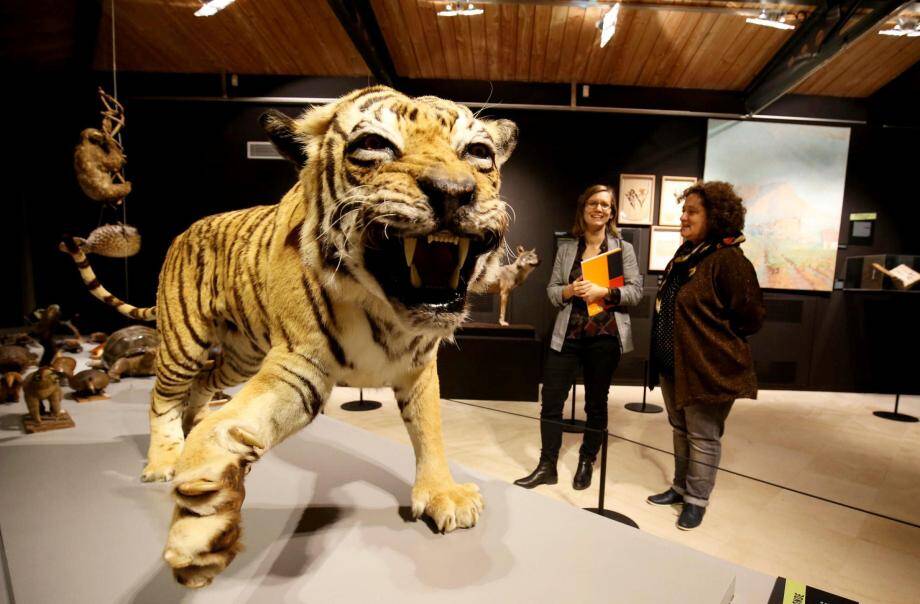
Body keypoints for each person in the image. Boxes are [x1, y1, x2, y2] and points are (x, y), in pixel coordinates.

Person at [646, 181, 765, 530]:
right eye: (684, 211)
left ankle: (697, 500)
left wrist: (716, 344)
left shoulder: (729, 260)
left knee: (703, 435)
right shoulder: (687, 254)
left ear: (716, 217)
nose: (683, 217)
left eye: (692, 212)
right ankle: (681, 488)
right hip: (675, 365)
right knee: (680, 428)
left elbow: (751, 316)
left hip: (706, 369)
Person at [515, 184, 642, 491]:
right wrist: (570, 290)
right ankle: (547, 465)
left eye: (606, 205)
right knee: (551, 401)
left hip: (605, 336)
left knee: (596, 404)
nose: (599, 209)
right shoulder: (568, 247)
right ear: (583, 208)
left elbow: (636, 292)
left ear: (611, 213)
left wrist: (605, 292)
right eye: (594, 203)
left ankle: (587, 460)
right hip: (568, 334)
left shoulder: (623, 249)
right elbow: (551, 290)